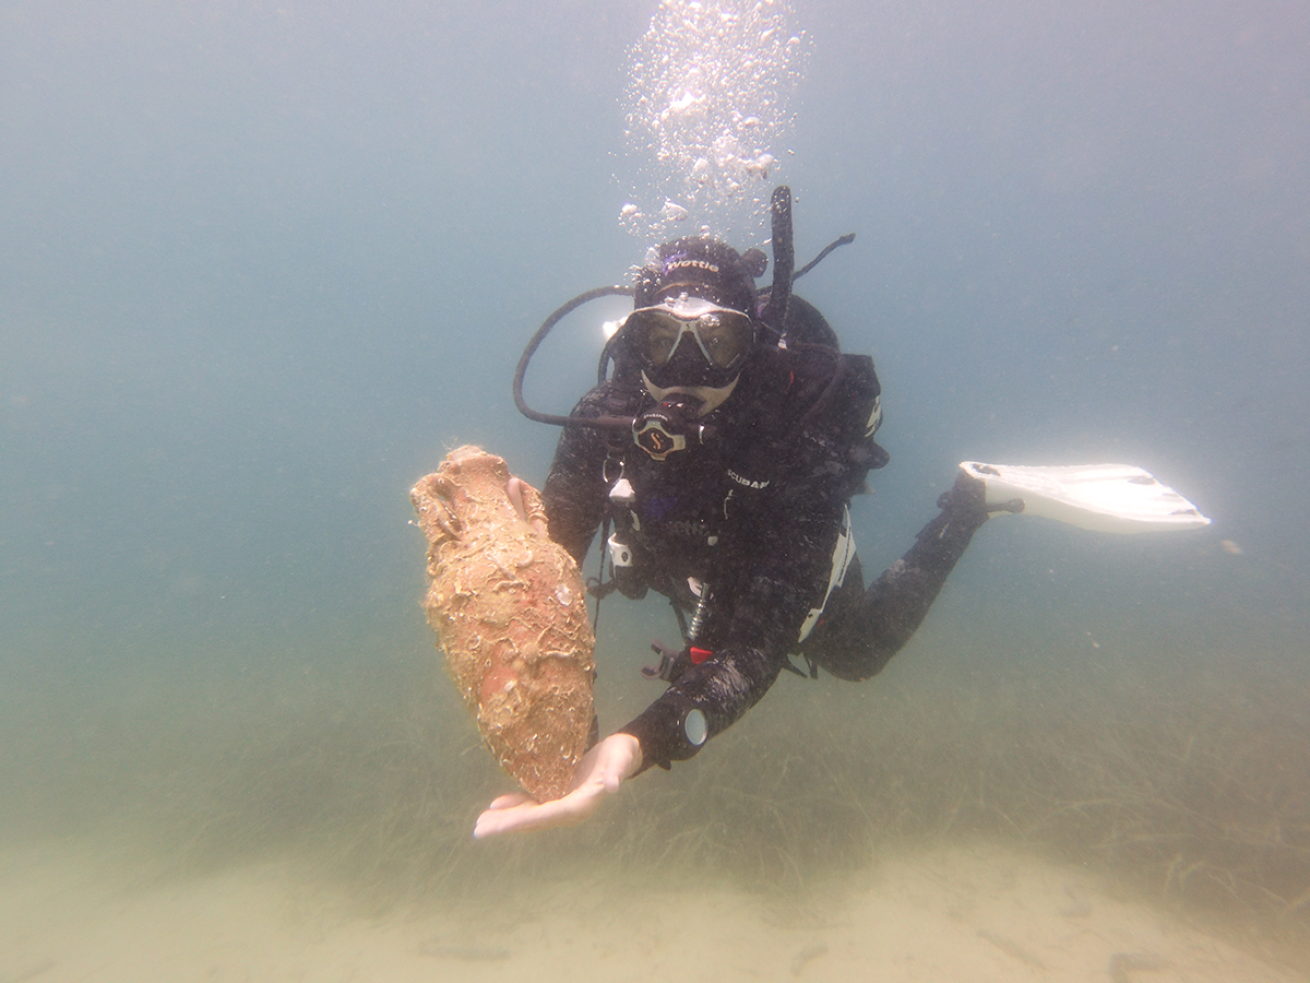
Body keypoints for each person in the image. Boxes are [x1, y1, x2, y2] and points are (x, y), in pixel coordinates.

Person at [475, 193, 1003, 839]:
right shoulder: (603, 419)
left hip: (766, 550)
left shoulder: (794, 440)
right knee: (706, 637)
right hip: (675, 559)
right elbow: (548, 573)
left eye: (716, 342)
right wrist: (566, 736)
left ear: (750, 345)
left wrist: (635, 747)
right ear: (633, 342)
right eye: (661, 342)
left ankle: (967, 507)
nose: (684, 374)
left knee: (857, 654)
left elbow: (758, 647)